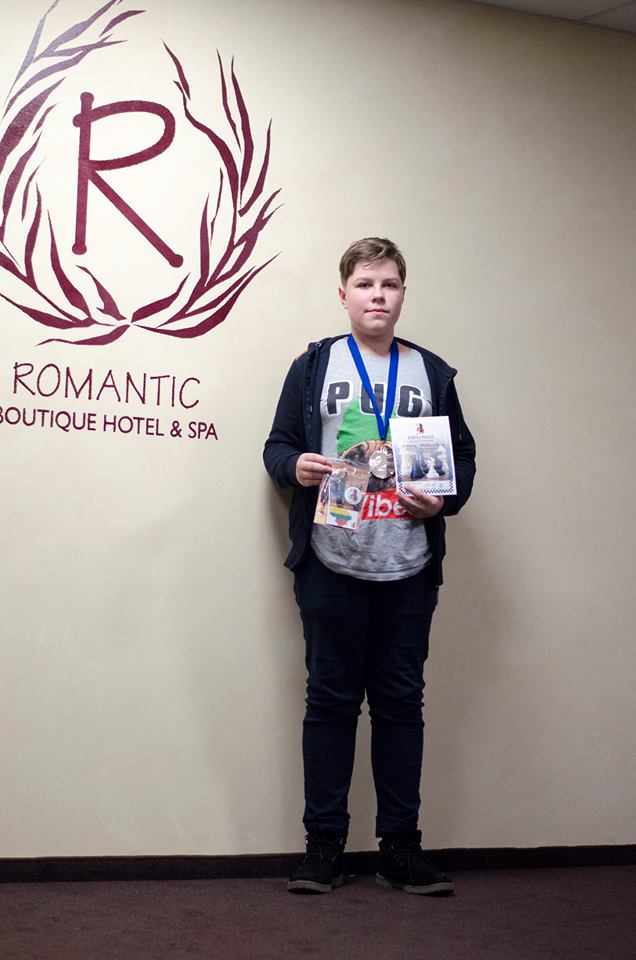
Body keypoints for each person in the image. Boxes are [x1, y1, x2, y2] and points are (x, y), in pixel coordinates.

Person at [263, 237, 476, 895]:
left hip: (407, 565)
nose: (377, 295)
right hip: (331, 559)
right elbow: (277, 448)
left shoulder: (432, 372)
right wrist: (295, 467)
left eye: (388, 284)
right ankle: (323, 847)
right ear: (344, 294)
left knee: (400, 705)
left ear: (403, 294)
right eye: (364, 284)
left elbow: (462, 461)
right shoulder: (313, 366)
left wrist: (444, 498)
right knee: (328, 702)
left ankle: (400, 849)